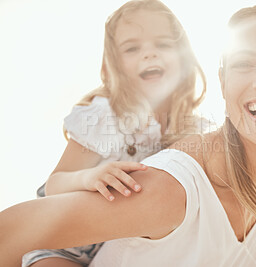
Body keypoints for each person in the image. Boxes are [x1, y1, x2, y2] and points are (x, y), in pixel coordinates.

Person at [0, 2, 256, 266]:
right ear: (224, 85)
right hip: (65, 241)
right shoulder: (161, 178)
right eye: (245, 63)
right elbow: (26, 217)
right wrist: (87, 178)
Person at [22, 0, 207, 266]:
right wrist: (89, 177)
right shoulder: (107, 115)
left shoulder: (193, 131)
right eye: (132, 48)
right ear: (114, 66)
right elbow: (54, 185)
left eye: (163, 44)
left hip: (131, 250)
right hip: (62, 244)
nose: (149, 54)